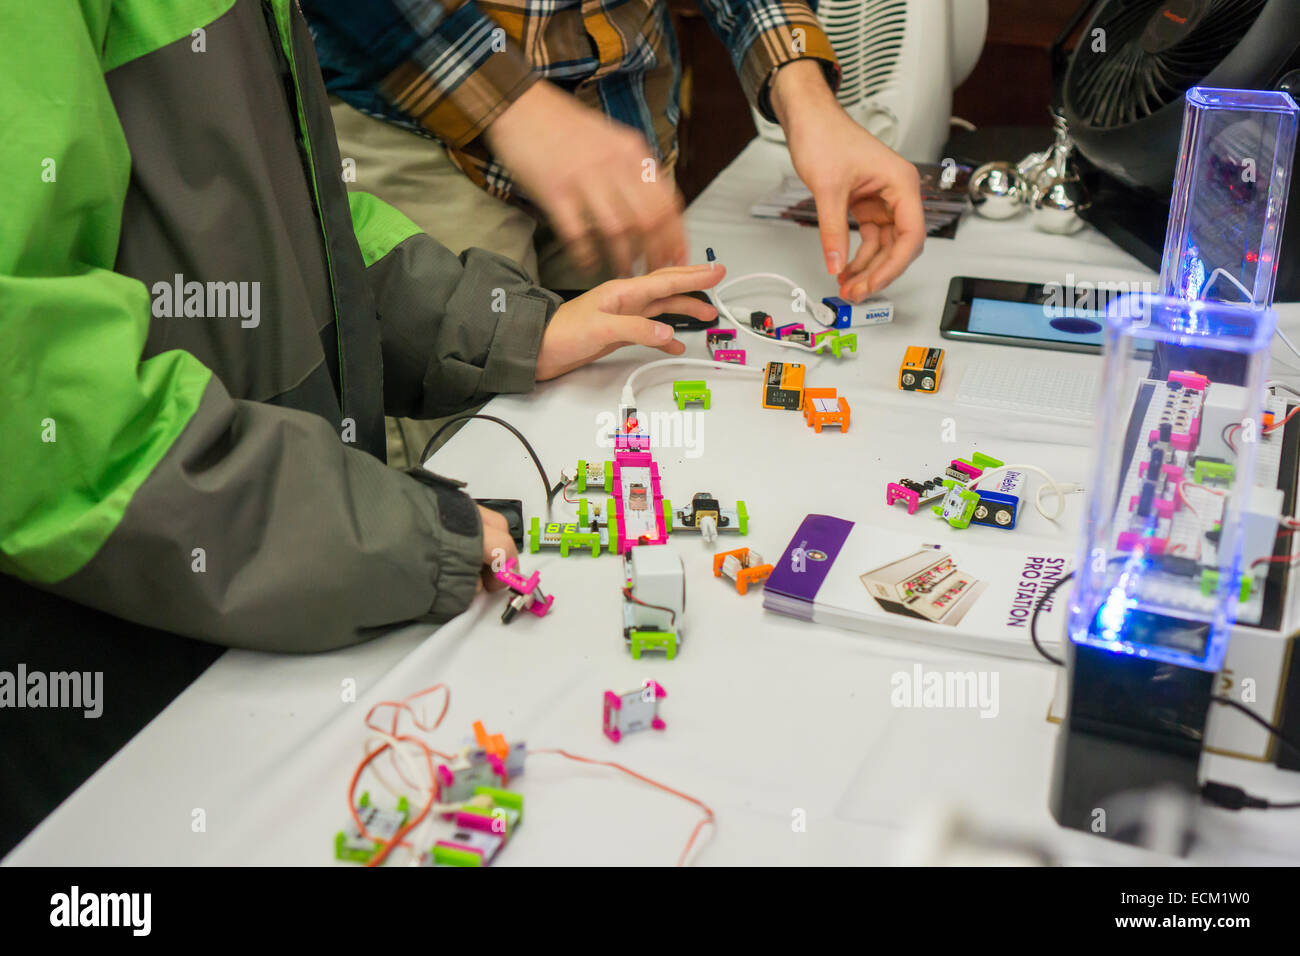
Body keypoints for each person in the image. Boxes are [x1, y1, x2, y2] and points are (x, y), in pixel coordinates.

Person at [0, 0, 722, 654]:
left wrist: (508, 330)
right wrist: (393, 540)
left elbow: (294, 228)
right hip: (135, 664)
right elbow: (43, 428)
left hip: (259, 593)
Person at [305, 0, 926, 463]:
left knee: (594, 433)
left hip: (622, 126)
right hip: (412, 117)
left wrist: (802, 89)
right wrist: (514, 106)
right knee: (472, 460)